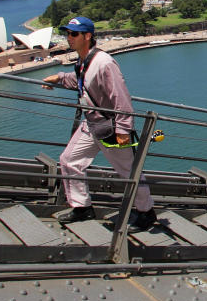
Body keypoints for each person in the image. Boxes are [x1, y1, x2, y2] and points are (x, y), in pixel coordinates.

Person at [42, 16, 156, 230]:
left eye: (74, 34)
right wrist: (58, 78)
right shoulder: (84, 60)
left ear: (88, 36)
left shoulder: (104, 62)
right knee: (69, 160)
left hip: (110, 128)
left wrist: (123, 129)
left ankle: (146, 212)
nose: (69, 38)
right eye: (67, 34)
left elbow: (120, 98)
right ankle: (82, 207)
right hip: (92, 124)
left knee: (129, 172)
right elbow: (82, 82)